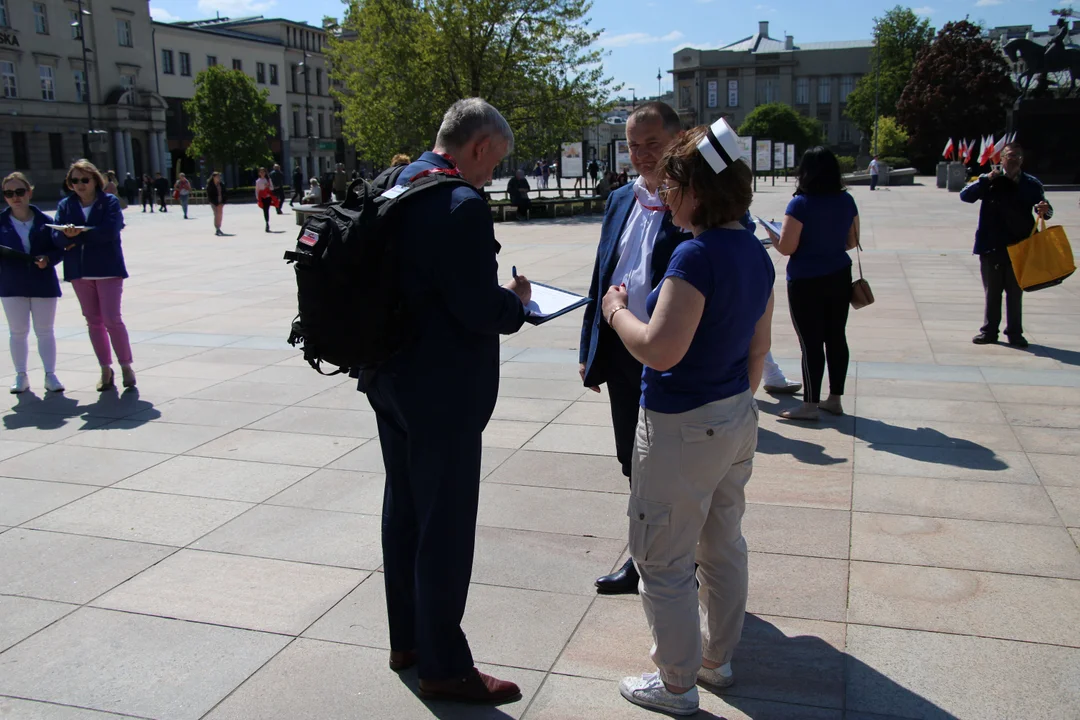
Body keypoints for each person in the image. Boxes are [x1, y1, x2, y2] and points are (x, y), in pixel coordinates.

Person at [603, 120, 774, 716]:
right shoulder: (753, 250)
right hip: (734, 415)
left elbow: (659, 348)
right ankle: (715, 659)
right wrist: (729, 408)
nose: (664, 193)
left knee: (662, 557)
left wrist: (617, 311)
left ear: (697, 190)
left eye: (673, 183)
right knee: (722, 542)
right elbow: (759, 352)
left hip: (680, 422)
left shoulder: (694, 256)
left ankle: (677, 685)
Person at [363, 98, 530, 704]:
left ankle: (406, 640)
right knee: (445, 524)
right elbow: (478, 308)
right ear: (479, 146)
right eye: (496, 161)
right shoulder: (460, 203)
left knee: (403, 509)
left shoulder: (396, 183)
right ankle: (443, 665)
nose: (493, 174)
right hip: (442, 392)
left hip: (389, 379)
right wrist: (516, 299)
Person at [766, 147, 859, 421]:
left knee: (810, 343)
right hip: (839, 273)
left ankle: (809, 405)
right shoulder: (846, 200)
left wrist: (772, 233)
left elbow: (786, 247)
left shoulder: (800, 204)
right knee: (836, 337)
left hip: (806, 280)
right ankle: (835, 399)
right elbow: (852, 241)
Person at [52, 159, 134, 391]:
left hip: (108, 269)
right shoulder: (66, 205)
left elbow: (109, 231)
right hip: (79, 271)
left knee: (112, 319)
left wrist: (76, 236)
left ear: (95, 181)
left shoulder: (108, 202)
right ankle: (105, 369)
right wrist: (68, 236)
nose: (80, 184)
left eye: (84, 180)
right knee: (93, 322)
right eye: (74, 180)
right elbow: (57, 237)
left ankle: (126, 365)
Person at [961, 142, 1052, 348]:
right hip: (991, 244)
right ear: (1000, 158)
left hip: (1019, 246)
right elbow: (966, 196)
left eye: (1018, 156)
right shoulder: (990, 180)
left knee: (1015, 292)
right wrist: (986, 180)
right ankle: (989, 331)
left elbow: (1046, 211)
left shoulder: (1031, 184)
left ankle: (1014, 333)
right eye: (1010, 156)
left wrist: (1045, 209)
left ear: (1022, 159)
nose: (1014, 160)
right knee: (992, 291)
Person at [1, 172, 64, 394]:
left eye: (19, 192)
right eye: (9, 193)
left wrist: (48, 259)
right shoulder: (1, 222)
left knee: (45, 330)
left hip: (42, 282)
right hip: (11, 283)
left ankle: (50, 375)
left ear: (29, 192)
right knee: (17, 331)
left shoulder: (46, 221)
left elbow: (59, 249)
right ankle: (21, 375)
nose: (15, 197)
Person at [255, 167, 277, 233]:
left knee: (267, 209)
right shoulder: (258, 181)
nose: (262, 173)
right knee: (265, 210)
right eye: (261, 172)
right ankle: (267, 222)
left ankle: (267, 223)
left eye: (263, 172)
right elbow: (257, 190)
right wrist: (257, 198)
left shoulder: (268, 180)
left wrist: (268, 186)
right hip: (262, 197)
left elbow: (272, 188)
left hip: (268, 197)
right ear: (259, 173)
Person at [207, 171, 226, 236]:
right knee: (216, 214)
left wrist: (223, 202)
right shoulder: (210, 185)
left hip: (220, 202)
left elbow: (225, 193)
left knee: (220, 215)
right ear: (213, 177)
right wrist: (215, 203)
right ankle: (217, 228)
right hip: (214, 202)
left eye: (219, 176)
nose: (218, 178)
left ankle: (219, 227)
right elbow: (209, 195)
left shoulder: (221, 184)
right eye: (217, 176)